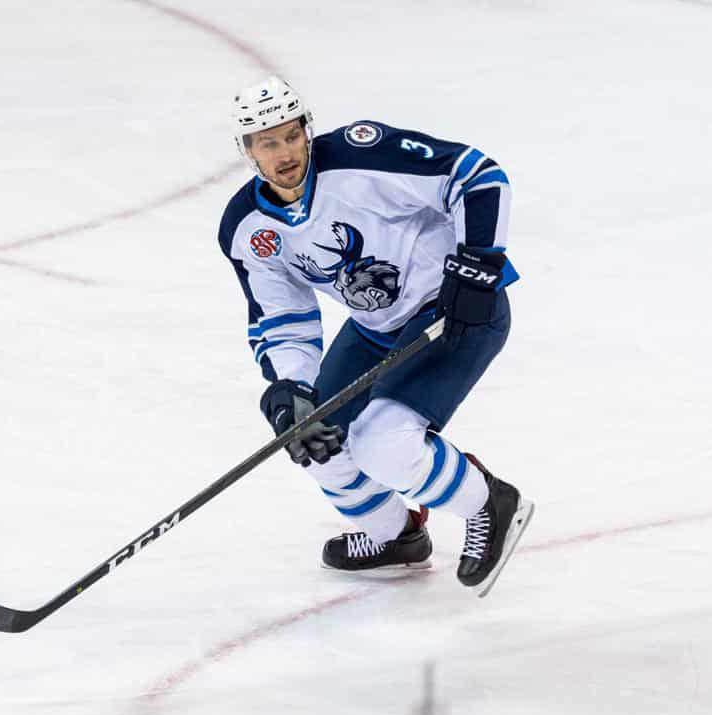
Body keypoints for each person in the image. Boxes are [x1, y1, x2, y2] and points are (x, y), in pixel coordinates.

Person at [217, 76, 534, 591]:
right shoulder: (248, 227)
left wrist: (477, 265)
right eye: (268, 143)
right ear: (247, 150)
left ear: (307, 130)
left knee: (382, 443)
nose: (286, 152)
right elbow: (285, 317)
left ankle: (490, 503)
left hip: (453, 312)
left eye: (292, 135)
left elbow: (477, 175)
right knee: (313, 438)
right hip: (375, 329)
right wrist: (290, 387)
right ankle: (395, 536)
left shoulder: (359, 157)